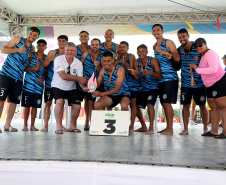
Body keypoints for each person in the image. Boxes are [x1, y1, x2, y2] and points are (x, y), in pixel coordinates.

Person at [0, 27, 40, 133]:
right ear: (28, 33)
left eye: (35, 35)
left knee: (13, 101)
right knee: (1, 99)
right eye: (31, 33)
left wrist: (33, 68)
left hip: (18, 78)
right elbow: (3, 49)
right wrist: (18, 50)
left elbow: (25, 66)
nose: (32, 36)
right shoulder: (18, 39)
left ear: (37, 37)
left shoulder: (32, 50)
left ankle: (7, 125)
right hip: (6, 75)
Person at [190, 38, 226, 138]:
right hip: (210, 85)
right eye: (195, 46)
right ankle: (214, 130)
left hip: (219, 81)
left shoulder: (211, 53)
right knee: (213, 107)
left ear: (206, 44)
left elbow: (214, 69)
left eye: (200, 45)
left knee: (223, 107)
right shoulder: (203, 56)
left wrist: (197, 69)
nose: (198, 47)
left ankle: (225, 132)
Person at [51, 42, 88, 134]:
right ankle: (59, 126)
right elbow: (63, 75)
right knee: (59, 101)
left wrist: (83, 87)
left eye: (72, 50)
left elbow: (80, 80)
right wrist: (79, 78)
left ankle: (72, 126)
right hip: (57, 86)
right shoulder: (58, 59)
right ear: (64, 50)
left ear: (75, 52)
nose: (69, 52)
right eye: (67, 50)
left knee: (77, 105)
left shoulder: (78, 63)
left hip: (71, 88)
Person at [177, 28, 208, 135]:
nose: (182, 39)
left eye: (183, 36)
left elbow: (207, 55)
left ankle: (205, 128)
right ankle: (185, 128)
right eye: (180, 37)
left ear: (188, 36)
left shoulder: (197, 45)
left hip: (199, 82)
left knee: (202, 105)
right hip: (185, 83)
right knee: (186, 105)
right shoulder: (179, 50)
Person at [152, 24, 180, 135]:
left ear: (162, 31)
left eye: (158, 30)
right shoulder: (154, 46)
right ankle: (167, 127)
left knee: (167, 103)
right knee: (164, 103)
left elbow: (177, 58)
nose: (156, 32)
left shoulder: (168, 42)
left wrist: (163, 52)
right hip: (160, 79)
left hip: (170, 77)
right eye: (154, 30)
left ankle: (170, 129)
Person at [41, 35, 68, 132]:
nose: (61, 42)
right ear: (57, 42)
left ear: (66, 43)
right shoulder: (52, 52)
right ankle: (46, 126)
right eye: (60, 41)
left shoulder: (68, 54)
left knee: (60, 103)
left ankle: (60, 125)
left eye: (63, 41)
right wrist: (49, 59)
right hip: (49, 82)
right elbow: (43, 65)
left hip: (61, 84)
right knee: (48, 103)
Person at [21, 39, 47, 131]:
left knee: (35, 106)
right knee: (27, 106)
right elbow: (24, 69)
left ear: (45, 47)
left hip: (39, 86)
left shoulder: (46, 58)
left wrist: (43, 78)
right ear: (37, 46)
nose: (40, 47)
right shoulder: (31, 56)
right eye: (39, 45)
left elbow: (46, 71)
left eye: (42, 45)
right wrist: (33, 68)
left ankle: (32, 125)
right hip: (28, 85)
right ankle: (25, 125)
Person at [135, 44, 162, 135]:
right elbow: (137, 78)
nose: (141, 53)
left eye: (143, 51)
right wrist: (133, 72)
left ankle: (151, 127)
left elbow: (159, 76)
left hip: (153, 88)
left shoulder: (153, 60)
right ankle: (143, 126)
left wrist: (150, 73)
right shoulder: (136, 62)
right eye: (139, 51)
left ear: (147, 52)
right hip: (143, 89)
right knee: (135, 105)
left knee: (150, 105)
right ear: (137, 53)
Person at [114, 41, 140, 133]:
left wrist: (125, 63)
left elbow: (131, 71)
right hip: (122, 85)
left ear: (127, 48)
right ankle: (123, 124)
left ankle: (131, 125)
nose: (121, 49)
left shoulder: (131, 56)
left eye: (123, 47)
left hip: (133, 85)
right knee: (123, 105)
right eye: (120, 47)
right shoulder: (117, 59)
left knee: (133, 105)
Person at [79, 38, 102, 131]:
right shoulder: (85, 55)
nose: (94, 46)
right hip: (85, 82)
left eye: (96, 45)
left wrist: (98, 66)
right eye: (93, 44)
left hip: (97, 83)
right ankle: (87, 122)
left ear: (100, 46)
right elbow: (80, 66)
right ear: (90, 45)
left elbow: (104, 71)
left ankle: (93, 122)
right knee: (87, 102)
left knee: (92, 103)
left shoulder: (102, 57)